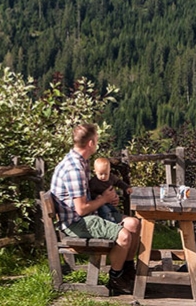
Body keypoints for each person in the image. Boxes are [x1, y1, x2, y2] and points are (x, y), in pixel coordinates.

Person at [50, 123, 142, 295]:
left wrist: (104, 198)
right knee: (124, 236)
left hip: (88, 215)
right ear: (91, 143)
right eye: (97, 139)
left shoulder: (81, 162)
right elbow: (82, 209)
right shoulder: (74, 169)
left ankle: (128, 271)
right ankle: (116, 278)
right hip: (75, 223)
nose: (98, 142)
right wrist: (105, 199)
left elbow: (88, 196)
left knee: (134, 224)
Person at [89, 157, 133, 223]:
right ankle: (110, 222)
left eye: (106, 174)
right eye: (100, 174)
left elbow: (119, 182)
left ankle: (116, 219)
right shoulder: (94, 182)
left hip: (110, 201)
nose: (103, 176)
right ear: (95, 172)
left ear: (109, 171)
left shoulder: (111, 177)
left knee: (114, 210)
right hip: (100, 203)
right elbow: (90, 192)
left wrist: (127, 187)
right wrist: (96, 196)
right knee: (105, 211)